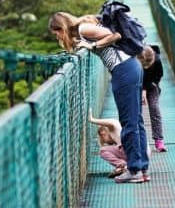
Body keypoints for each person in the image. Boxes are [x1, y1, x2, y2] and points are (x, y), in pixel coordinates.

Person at [48, 12, 149, 184]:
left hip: (123, 70)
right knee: (135, 121)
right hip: (129, 68)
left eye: (56, 32)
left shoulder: (82, 28)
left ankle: (134, 170)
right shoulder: (81, 31)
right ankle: (142, 168)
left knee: (129, 122)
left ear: (61, 27)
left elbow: (116, 35)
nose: (56, 36)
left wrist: (92, 46)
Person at [138, 45, 167, 152]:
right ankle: (138, 141)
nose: (146, 67)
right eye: (144, 65)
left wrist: (145, 89)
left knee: (155, 109)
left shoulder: (158, 61)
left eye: (148, 65)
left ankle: (159, 140)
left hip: (152, 86)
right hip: (136, 85)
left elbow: (159, 76)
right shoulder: (135, 59)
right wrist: (141, 90)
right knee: (135, 111)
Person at [88, 109, 126, 178]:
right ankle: (125, 166)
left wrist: (92, 120)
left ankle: (123, 165)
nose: (102, 138)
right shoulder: (116, 136)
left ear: (103, 132)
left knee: (103, 151)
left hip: (130, 149)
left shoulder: (114, 126)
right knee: (113, 150)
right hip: (139, 153)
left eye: (102, 135)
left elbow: (111, 123)